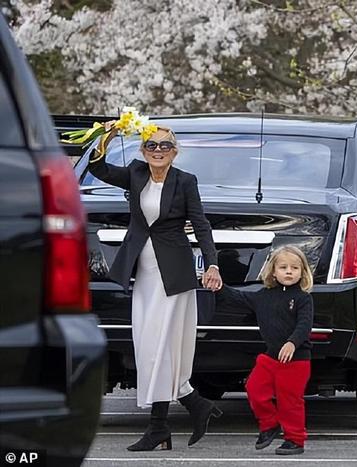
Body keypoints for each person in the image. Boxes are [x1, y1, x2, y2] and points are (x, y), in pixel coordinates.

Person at [88, 124, 224, 451]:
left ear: (175, 152)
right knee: (148, 346)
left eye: (165, 145)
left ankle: (159, 426)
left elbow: (201, 224)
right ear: (143, 149)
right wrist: (106, 133)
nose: (158, 149)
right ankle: (195, 405)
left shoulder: (185, 181)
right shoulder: (135, 174)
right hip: (144, 275)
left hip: (174, 275)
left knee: (163, 347)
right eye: (151, 144)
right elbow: (97, 167)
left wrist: (212, 264)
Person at [216, 246, 314, 455]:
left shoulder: (303, 298)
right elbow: (237, 298)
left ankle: (295, 440)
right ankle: (269, 425)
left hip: (296, 360)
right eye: (284, 267)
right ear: (273, 271)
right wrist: (219, 287)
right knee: (254, 388)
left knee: (290, 401)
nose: (289, 271)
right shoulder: (263, 296)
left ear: (303, 272)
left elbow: (304, 325)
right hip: (271, 357)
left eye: (295, 268)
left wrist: (292, 342)